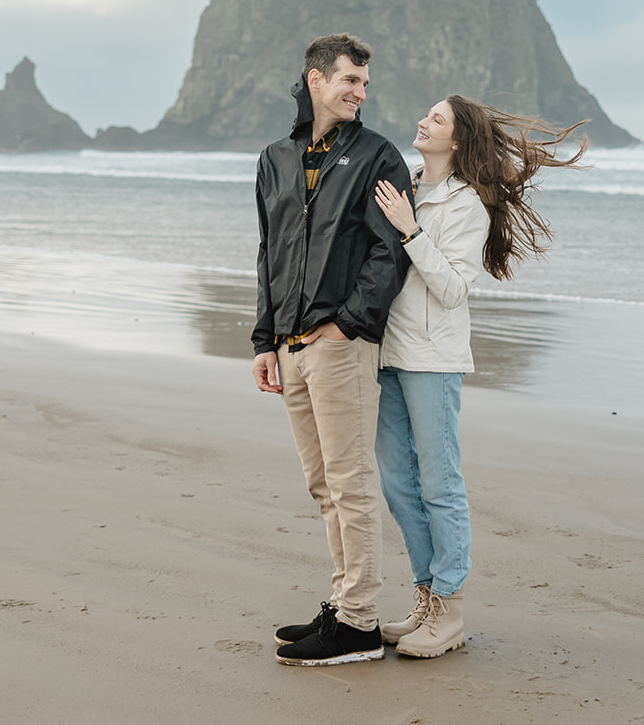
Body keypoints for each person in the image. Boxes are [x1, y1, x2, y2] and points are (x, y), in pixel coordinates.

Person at [371, 95, 587, 658]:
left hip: (433, 357)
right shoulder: (408, 183)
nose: (422, 120)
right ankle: (425, 598)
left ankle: (450, 609)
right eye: (425, 113)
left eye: (436, 118)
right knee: (398, 484)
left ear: (459, 139)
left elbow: (452, 288)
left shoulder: (465, 205)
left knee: (440, 485)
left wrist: (410, 230)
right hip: (387, 351)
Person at [251, 33, 412, 667]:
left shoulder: (379, 157)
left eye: (365, 84)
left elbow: (389, 250)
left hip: (339, 345)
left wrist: (349, 323)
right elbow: (270, 253)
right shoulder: (275, 158)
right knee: (322, 484)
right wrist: (265, 339)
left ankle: (361, 622)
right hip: (290, 344)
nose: (359, 92)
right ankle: (346, 605)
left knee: (350, 482)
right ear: (315, 79)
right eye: (350, 80)